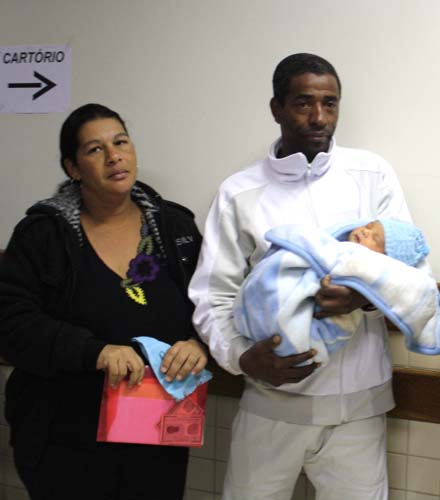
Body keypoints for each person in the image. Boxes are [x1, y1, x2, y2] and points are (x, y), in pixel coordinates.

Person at [189, 53, 428, 500]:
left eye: (329, 103)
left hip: (358, 411)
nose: (319, 117)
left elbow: (410, 270)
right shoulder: (239, 193)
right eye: (303, 103)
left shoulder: (372, 175)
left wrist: (363, 297)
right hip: (270, 406)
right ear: (276, 108)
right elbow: (213, 296)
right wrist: (241, 358)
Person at [0, 103, 207, 500]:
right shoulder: (43, 234)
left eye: (121, 142)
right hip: (64, 435)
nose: (114, 156)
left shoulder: (174, 227)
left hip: (156, 428)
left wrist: (199, 342)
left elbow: (210, 303)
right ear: (73, 168)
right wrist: (95, 351)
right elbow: (12, 323)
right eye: (95, 149)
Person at [233, 217, 431, 366]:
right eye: (369, 226)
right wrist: (238, 357)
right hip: (264, 382)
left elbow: (405, 284)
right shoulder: (334, 246)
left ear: (386, 258)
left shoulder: (366, 259)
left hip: (359, 375)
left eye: (375, 237)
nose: (365, 231)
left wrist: (366, 295)